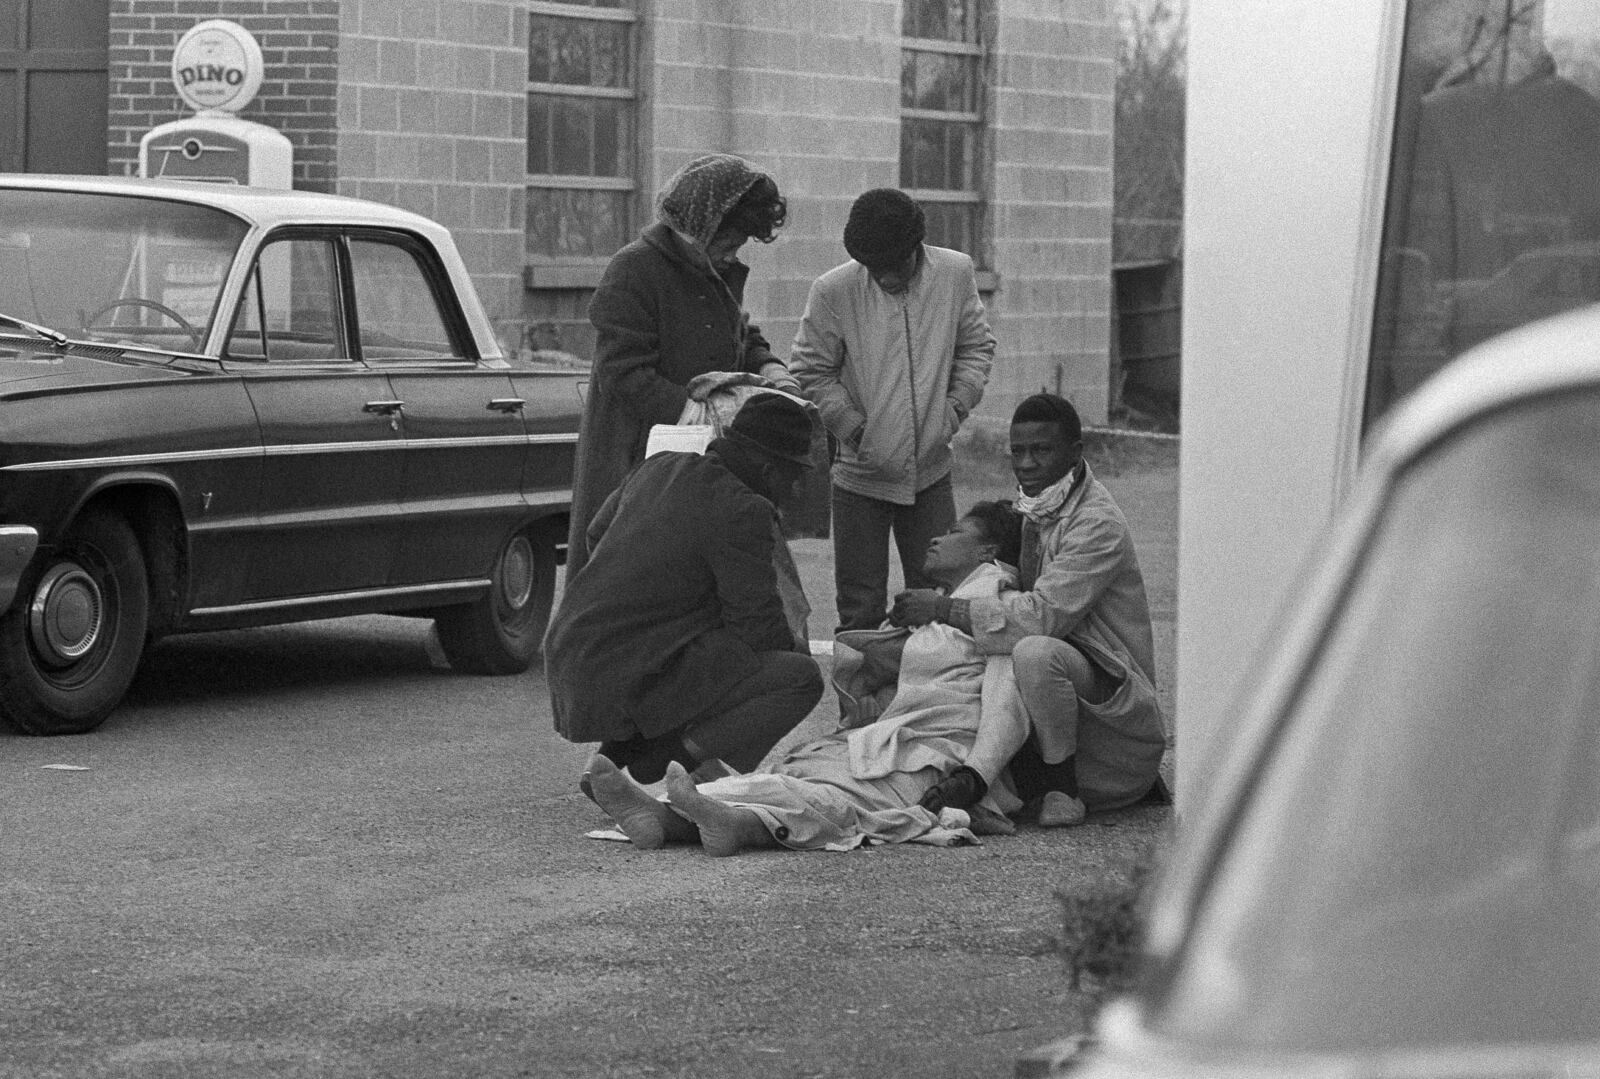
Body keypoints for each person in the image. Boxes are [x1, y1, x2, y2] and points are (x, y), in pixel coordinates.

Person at [582, 501, 1029, 855]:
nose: (937, 537)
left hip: (937, 758)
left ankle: (732, 824)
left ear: (987, 553)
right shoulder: (946, 608)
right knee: (800, 774)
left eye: (954, 532)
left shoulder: (997, 609)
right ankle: (661, 816)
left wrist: (973, 777)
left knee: (838, 797)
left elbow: (1004, 704)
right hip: (892, 741)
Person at [890, 394, 1168, 826]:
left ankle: (1063, 789)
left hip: (1116, 730)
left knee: (1032, 650)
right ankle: (979, 777)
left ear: (1075, 454)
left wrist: (945, 608)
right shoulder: (1038, 509)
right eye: (1017, 451)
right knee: (996, 647)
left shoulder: (1097, 523)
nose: (1026, 463)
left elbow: (1040, 617)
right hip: (1057, 710)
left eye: (1041, 450)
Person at [545, 393, 823, 786]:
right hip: (626, 673)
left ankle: (604, 767)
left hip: (572, 656)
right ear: (765, 467)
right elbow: (758, 628)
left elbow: (596, 534)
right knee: (798, 677)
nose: (793, 491)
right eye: (791, 476)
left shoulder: (659, 466)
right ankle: (670, 760)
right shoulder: (743, 509)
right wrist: (794, 644)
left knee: (692, 650)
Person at [566, 153, 797, 578]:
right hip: (636, 453)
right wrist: (699, 415)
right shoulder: (634, 269)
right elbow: (624, 373)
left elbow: (737, 334)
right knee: (629, 574)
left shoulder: (714, 271)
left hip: (699, 456)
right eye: (729, 241)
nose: (733, 253)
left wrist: (771, 370)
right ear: (699, 227)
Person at [789, 187, 996, 631]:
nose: (883, 277)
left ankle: (928, 701)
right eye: (872, 267)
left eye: (892, 265)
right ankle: (860, 703)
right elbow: (810, 370)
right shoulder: (833, 289)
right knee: (859, 609)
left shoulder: (955, 272)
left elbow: (976, 347)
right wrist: (856, 430)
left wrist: (954, 410)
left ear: (915, 248)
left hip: (932, 474)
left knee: (937, 601)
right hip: (858, 479)